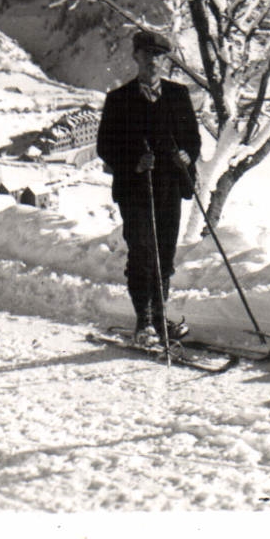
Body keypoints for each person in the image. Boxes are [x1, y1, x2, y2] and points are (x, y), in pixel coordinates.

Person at [95, 29, 202, 346]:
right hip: (136, 191)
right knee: (143, 255)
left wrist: (187, 154)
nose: (153, 61)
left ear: (166, 60)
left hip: (169, 187)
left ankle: (160, 318)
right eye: (147, 55)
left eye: (159, 56)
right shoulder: (119, 100)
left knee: (165, 256)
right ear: (136, 57)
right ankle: (144, 321)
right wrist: (132, 162)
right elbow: (105, 147)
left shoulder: (178, 95)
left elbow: (193, 140)